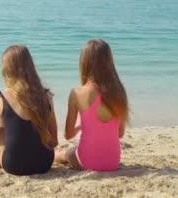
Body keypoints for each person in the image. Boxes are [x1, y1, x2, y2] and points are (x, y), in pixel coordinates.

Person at [0, 45, 58, 175]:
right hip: (44, 163)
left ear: (6, 69)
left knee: (1, 125)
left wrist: (0, 166)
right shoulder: (46, 97)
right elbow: (54, 141)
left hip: (14, 165)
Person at [55, 39, 129, 171]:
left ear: (84, 63)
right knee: (71, 152)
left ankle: (56, 155)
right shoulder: (119, 91)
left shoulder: (77, 93)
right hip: (113, 161)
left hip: (87, 161)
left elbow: (68, 135)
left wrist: (79, 125)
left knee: (65, 154)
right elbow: (120, 133)